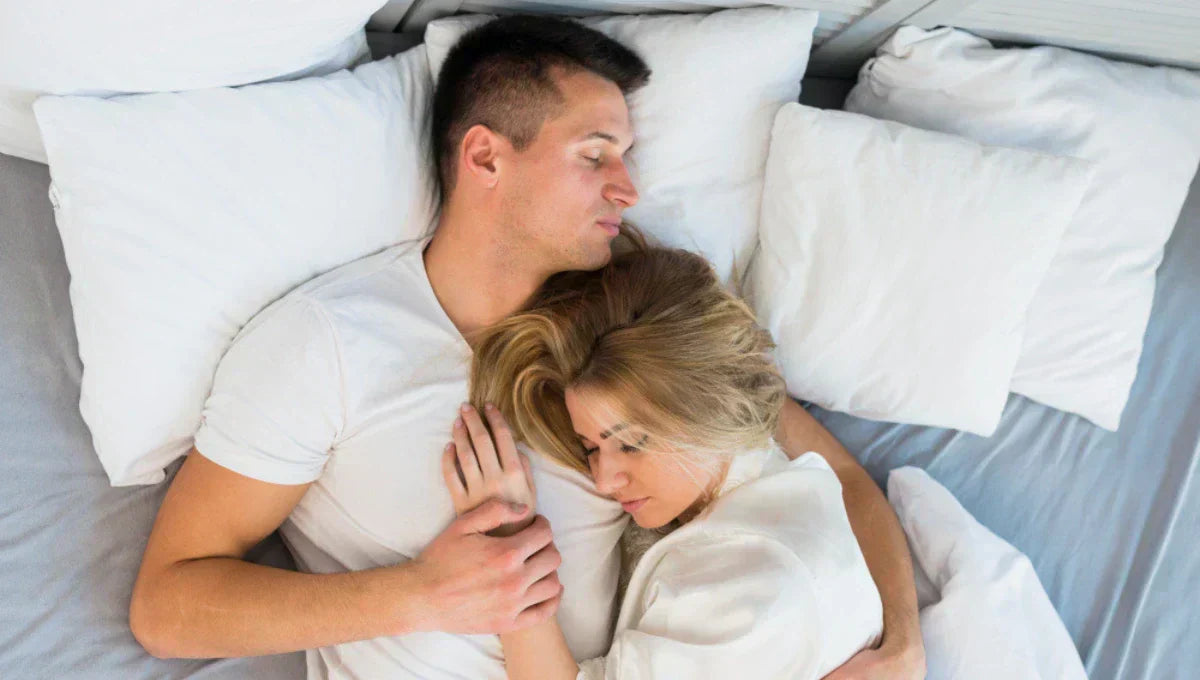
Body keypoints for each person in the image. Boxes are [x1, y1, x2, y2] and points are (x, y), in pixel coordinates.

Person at [128, 15, 924, 680]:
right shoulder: (329, 343)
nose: (628, 187)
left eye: (627, 157)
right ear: (484, 157)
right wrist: (425, 594)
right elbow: (167, 608)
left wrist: (902, 647)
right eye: (595, 154)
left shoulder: (630, 326)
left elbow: (836, 472)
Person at [447, 243, 885, 679]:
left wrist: (511, 538)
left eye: (632, 444)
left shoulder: (738, 591)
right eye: (591, 448)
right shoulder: (762, 467)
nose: (604, 481)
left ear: (705, 408)